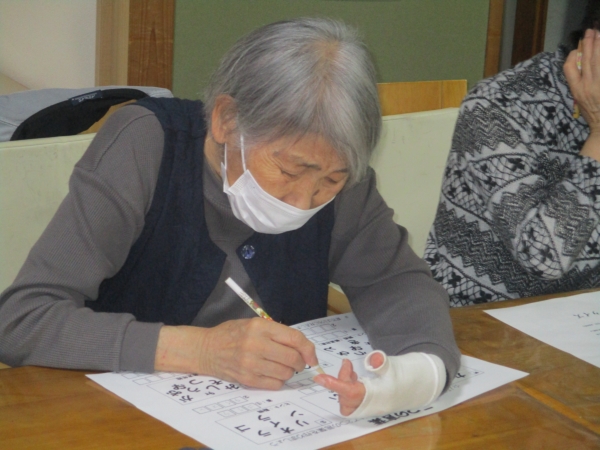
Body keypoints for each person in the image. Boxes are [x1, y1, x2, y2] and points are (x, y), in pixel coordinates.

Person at [0, 18, 459, 418]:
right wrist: (200, 350)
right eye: (289, 171)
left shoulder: (342, 175)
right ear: (226, 120)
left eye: (331, 180)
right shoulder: (145, 146)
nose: (305, 200)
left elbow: (396, 283)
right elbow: (22, 320)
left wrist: (418, 373)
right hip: (111, 418)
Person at [424, 2, 600, 307]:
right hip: (476, 317)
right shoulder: (496, 106)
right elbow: (544, 257)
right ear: (589, 46)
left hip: (580, 318)